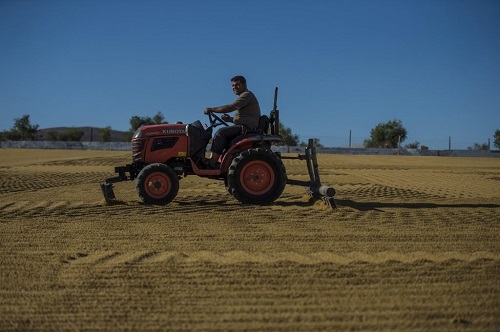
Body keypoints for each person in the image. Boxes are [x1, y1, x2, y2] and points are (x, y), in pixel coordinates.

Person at [203, 75, 261, 168]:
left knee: (220, 133)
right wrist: (231, 119)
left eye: (237, 85)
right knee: (221, 133)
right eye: (233, 86)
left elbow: (231, 107)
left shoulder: (247, 95)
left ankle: (212, 162)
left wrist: (212, 109)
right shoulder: (245, 96)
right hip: (244, 126)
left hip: (246, 128)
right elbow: (245, 116)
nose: (234, 88)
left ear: (244, 85)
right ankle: (213, 159)